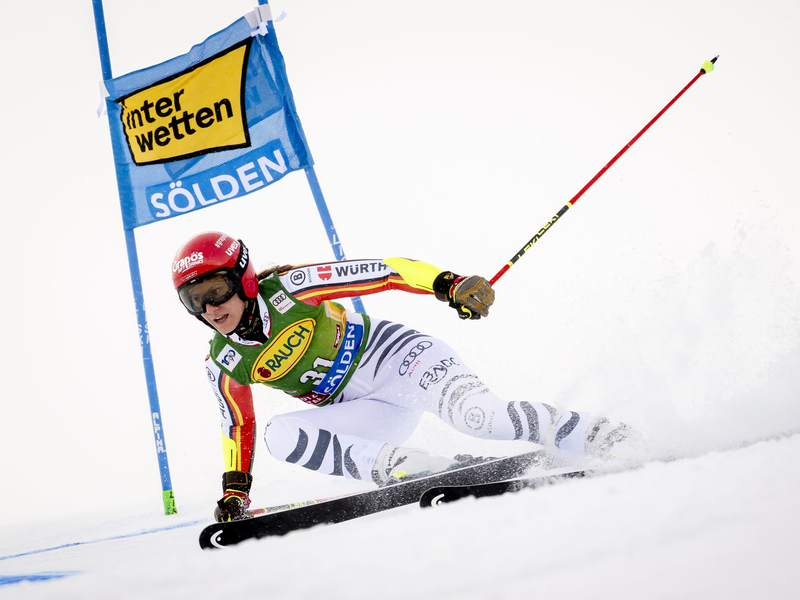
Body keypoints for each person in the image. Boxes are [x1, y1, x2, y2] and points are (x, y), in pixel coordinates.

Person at [172, 231, 633, 522]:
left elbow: (386, 272)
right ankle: (415, 468)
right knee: (280, 434)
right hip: (368, 411)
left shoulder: (292, 288)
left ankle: (605, 435)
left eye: (216, 290)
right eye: (194, 300)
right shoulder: (223, 361)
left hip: (401, 360)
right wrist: (235, 491)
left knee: (482, 419)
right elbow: (239, 425)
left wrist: (448, 284)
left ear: (244, 280)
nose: (210, 308)